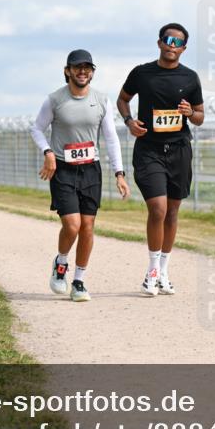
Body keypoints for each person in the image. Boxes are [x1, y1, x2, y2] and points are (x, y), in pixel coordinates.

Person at [31, 49, 129, 302]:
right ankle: (61, 263)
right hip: (62, 169)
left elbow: (110, 138)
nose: (82, 71)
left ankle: (79, 281)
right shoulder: (55, 100)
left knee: (87, 227)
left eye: (87, 67)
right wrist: (48, 152)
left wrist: (119, 173)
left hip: (90, 169)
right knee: (72, 225)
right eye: (77, 67)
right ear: (68, 71)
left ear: (92, 72)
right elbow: (37, 129)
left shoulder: (101, 100)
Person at [117, 23, 204, 296]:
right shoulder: (142, 73)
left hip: (178, 150)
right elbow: (122, 99)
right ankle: (152, 271)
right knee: (158, 209)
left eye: (177, 42)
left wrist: (190, 112)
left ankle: (164, 272)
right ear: (159, 43)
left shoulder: (190, 78)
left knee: (173, 212)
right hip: (149, 150)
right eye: (168, 40)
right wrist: (129, 121)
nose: (172, 45)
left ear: (184, 48)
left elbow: (200, 117)